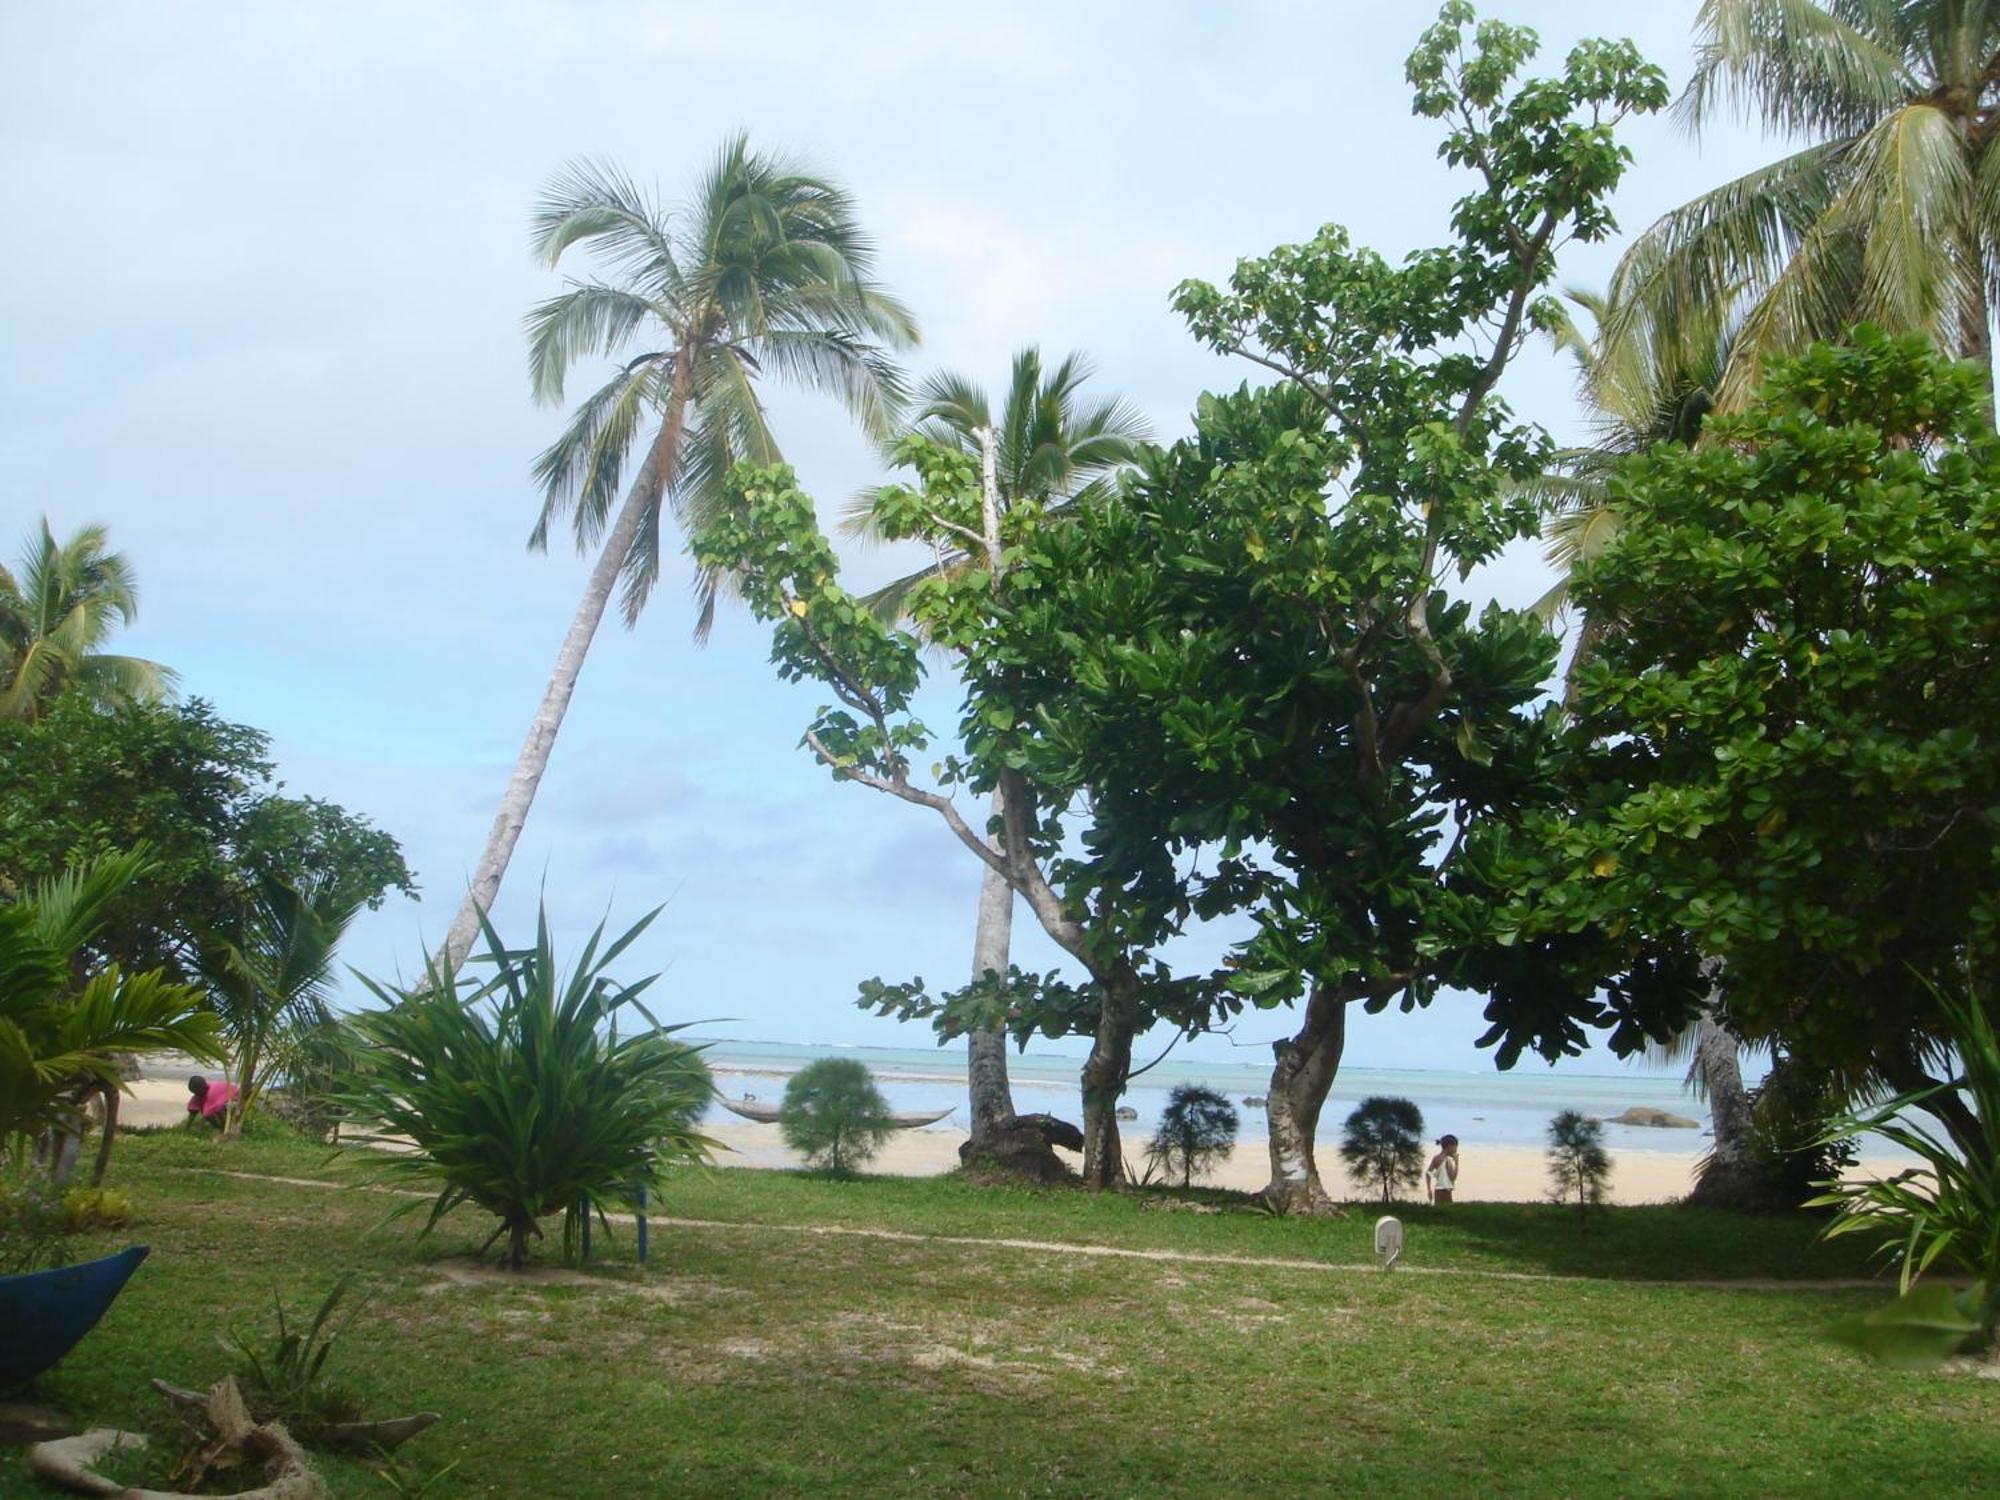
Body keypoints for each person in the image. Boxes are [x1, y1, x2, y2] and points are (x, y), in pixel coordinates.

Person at [1426, 1134, 1460, 1204]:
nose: (1456, 1150)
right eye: (1455, 1147)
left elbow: (1428, 1173)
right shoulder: (1448, 1161)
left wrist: (1429, 1189)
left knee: (1438, 1209)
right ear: (1450, 1146)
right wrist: (1456, 1163)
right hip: (1446, 1192)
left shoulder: (1436, 1158)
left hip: (1437, 1191)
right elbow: (1453, 1178)